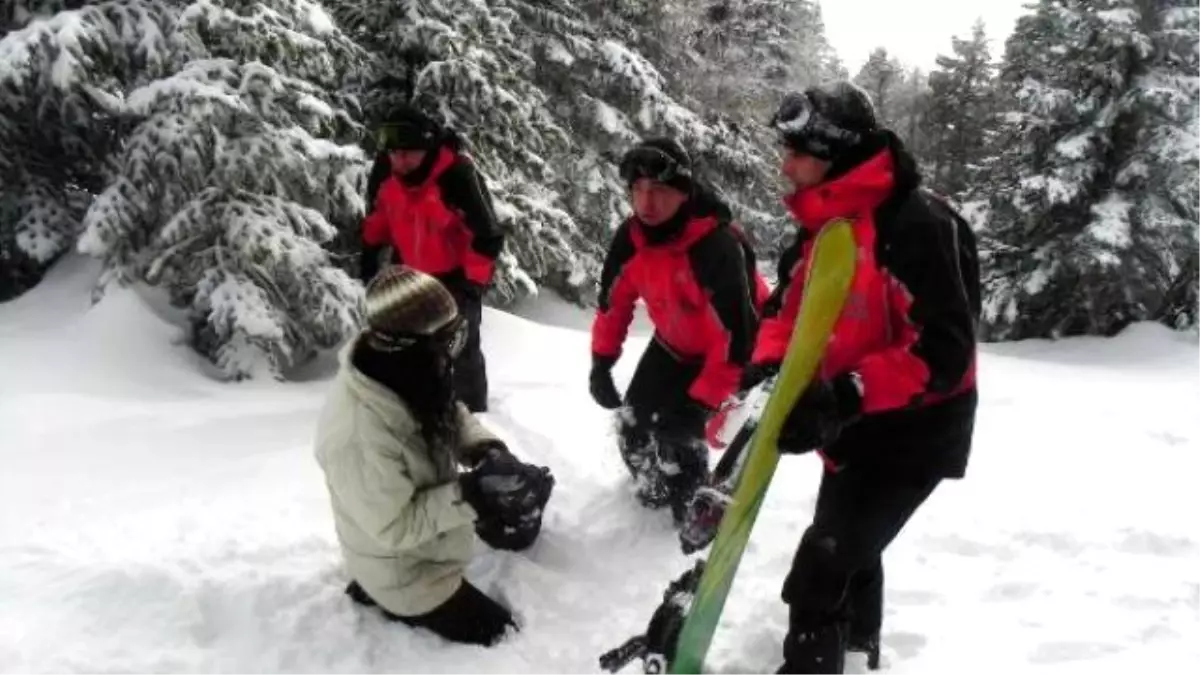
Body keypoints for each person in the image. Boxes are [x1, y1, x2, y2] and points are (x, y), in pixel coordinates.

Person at [750, 82, 981, 675]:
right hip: (850, 425)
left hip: (917, 431)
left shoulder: (916, 224)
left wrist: (848, 390)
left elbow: (945, 350)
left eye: (798, 152)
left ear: (835, 155)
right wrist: (767, 364)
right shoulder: (821, 224)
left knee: (824, 563)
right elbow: (788, 310)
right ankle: (856, 655)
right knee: (851, 550)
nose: (786, 165)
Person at [314, 265, 554, 647]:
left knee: (518, 508)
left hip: (431, 541)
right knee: (504, 638)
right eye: (446, 340)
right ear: (411, 344)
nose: (453, 350)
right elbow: (395, 527)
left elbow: (448, 410)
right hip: (404, 573)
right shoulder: (356, 433)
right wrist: (473, 494)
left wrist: (484, 450)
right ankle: (380, 598)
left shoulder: (404, 370)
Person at [588, 137, 769, 524]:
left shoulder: (716, 246)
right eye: (638, 190)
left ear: (684, 193)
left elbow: (736, 338)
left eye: (659, 191)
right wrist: (601, 362)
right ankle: (651, 489)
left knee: (680, 433)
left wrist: (701, 403)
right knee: (633, 422)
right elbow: (612, 305)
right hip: (673, 344)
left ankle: (688, 510)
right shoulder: (631, 239)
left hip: (729, 350)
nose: (647, 203)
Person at [359, 105, 504, 412]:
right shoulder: (385, 171)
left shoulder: (456, 174)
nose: (400, 161)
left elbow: (488, 236)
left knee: (461, 348)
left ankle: (472, 416)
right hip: (408, 271)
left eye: (408, 153)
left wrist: (472, 284)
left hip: (455, 275)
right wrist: (370, 255)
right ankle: (409, 409)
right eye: (394, 153)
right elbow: (378, 217)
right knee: (403, 345)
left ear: (426, 148)